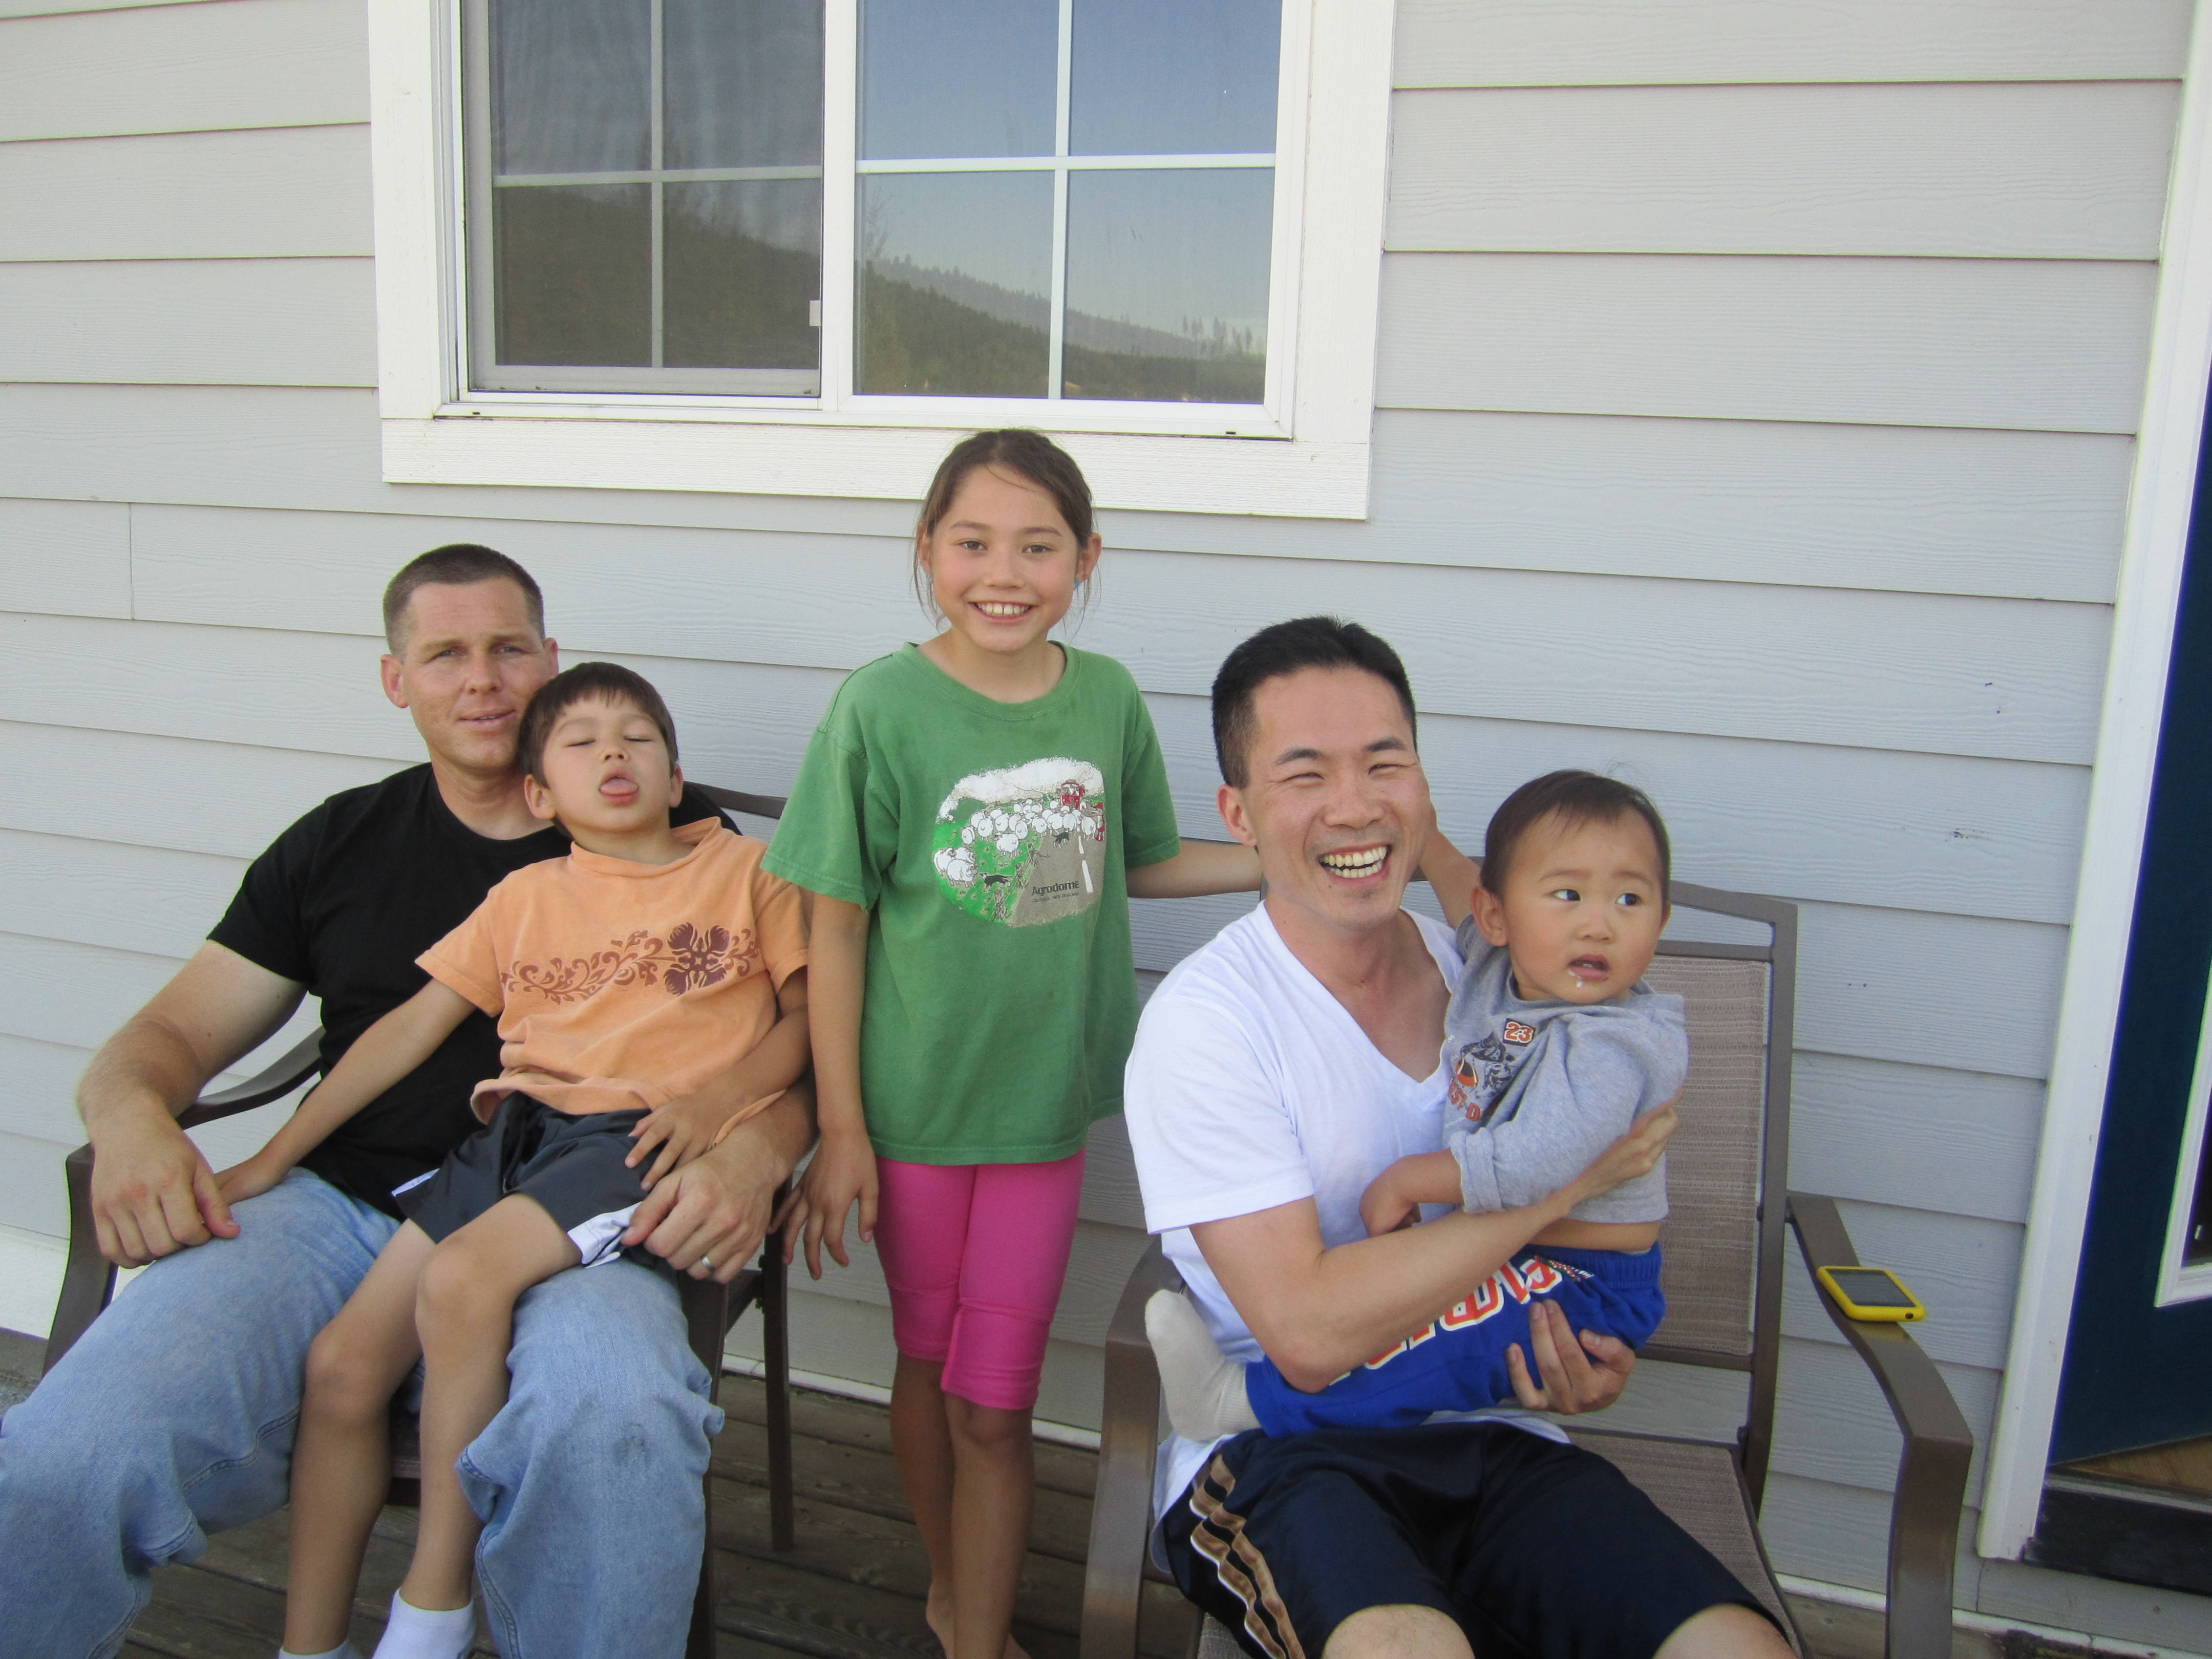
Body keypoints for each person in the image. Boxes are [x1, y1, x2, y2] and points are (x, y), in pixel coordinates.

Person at [0, 546, 816, 1659]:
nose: (481, 679)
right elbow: (171, 1036)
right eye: (445, 655)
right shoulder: (340, 842)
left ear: (551, 661)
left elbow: (804, 1033)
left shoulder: (685, 839)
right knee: (71, 1446)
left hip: (595, 1212)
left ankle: (439, 1614)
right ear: (396, 680)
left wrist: (758, 1148)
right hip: (339, 1212)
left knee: (614, 1421)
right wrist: (132, 1117)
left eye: (508, 648)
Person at [1122, 616, 1792, 1659]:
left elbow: (1564, 1259)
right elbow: (1307, 1333)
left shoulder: (1488, 977)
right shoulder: (1209, 1026)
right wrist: (1564, 1192)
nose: (1356, 805)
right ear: (1239, 814)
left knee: (1736, 1648)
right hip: (1286, 1453)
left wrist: (1579, 1355)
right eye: (1306, 773)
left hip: (1496, 1429)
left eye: (1385, 763)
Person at [763, 430, 1261, 1659]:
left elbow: (1140, 858)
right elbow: (836, 925)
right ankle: (952, 1594)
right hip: (909, 1114)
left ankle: (977, 1636)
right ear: (926, 550)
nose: (1004, 573)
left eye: (1038, 546)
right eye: (973, 542)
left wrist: (1281, 861)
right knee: (927, 1365)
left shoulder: (1107, 696)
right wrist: (841, 1129)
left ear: (1087, 558)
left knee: (996, 1405)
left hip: (1042, 1113)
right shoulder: (878, 707)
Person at [210, 662, 810, 1659]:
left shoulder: (748, 874)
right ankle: (308, 1648)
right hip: (512, 1139)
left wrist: (718, 1102)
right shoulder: (524, 895)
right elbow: (407, 1031)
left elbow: (808, 1022)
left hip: (638, 1138)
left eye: (638, 739)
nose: (613, 753)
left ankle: (433, 1604)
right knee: (344, 1368)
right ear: (539, 796)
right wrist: (273, 1157)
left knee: (461, 1279)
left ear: (673, 779)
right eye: (582, 743)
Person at [1147, 767, 1685, 1439]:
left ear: (1662, 921)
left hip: (1580, 1280)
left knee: (1424, 1347)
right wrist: (1424, 838)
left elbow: (1537, 1163)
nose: (1599, 926)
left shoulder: (1615, 1043)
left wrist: (1410, 1180)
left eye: (1630, 900)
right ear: (1498, 917)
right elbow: (1466, 890)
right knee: (1402, 1326)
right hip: (1519, 1256)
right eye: (1568, 895)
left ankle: (1243, 1403)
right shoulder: (1508, 984)